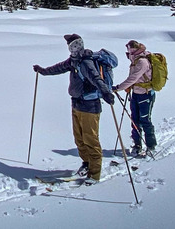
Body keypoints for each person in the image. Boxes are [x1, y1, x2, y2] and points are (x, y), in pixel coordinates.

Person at [33, 33, 115, 183]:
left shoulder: (85, 62)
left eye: (76, 45)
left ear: (81, 45)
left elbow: (96, 78)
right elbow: (58, 68)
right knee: (79, 139)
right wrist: (43, 71)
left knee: (91, 140)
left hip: (90, 106)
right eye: (71, 46)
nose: (74, 49)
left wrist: (106, 92)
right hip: (77, 104)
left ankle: (94, 174)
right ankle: (86, 163)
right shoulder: (73, 61)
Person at [113, 39, 157, 158]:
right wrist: (128, 87)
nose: (129, 52)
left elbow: (133, 78)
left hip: (145, 94)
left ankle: (151, 146)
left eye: (130, 49)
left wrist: (119, 88)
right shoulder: (135, 61)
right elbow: (134, 78)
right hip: (136, 93)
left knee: (145, 120)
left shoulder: (142, 61)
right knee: (134, 120)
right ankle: (137, 145)